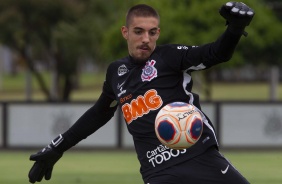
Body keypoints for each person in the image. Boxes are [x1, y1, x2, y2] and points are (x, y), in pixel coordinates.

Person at [28, 2, 254, 184]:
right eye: (138, 31)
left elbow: (216, 53)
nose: (146, 38)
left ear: (158, 33)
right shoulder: (116, 72)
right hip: (158, 171)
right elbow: (99, 113)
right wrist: (58, 147)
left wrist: (234, 30)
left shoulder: (170, 56)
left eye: (152, 32)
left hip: (200, 156)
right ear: (125, 32)